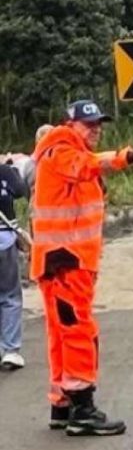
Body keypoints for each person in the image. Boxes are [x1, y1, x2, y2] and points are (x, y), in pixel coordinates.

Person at [31, 99, 133, 435]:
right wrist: (127, 156)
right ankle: (83, 410)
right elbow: (87, 166)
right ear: (69, 125)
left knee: (62, 333)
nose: (96, 130)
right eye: (89, 124)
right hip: (67, 260)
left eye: (99, 124)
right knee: (78, 332)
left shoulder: (65, 151)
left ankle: (63, 403)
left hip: (63, 259)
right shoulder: (62, 151)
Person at [0, 158, 26, 370]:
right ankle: (10, 350)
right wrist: (11, 167)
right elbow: (20, 189)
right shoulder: (4, 171)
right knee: (10, 295)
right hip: (4, 241)